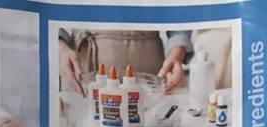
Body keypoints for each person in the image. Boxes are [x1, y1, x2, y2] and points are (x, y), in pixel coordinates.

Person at [59, 28, 194, 98]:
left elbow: (179, 18)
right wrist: (59, 45)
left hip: (149, 76)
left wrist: (177, 53)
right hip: (83, 74)